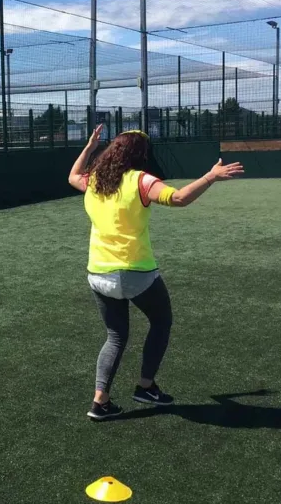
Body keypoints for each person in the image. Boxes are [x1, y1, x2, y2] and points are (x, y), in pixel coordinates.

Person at [69, 126, 243, 421]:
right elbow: (179, 198)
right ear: (141, 155)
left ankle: (100, 401)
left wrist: (88, 147)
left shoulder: (95, 180)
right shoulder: (141, 180)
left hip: (98, 273)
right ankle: (145, 386)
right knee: (161, 322)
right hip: (135, 272)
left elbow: (73, 176)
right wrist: (210, 177)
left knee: (115, 336)